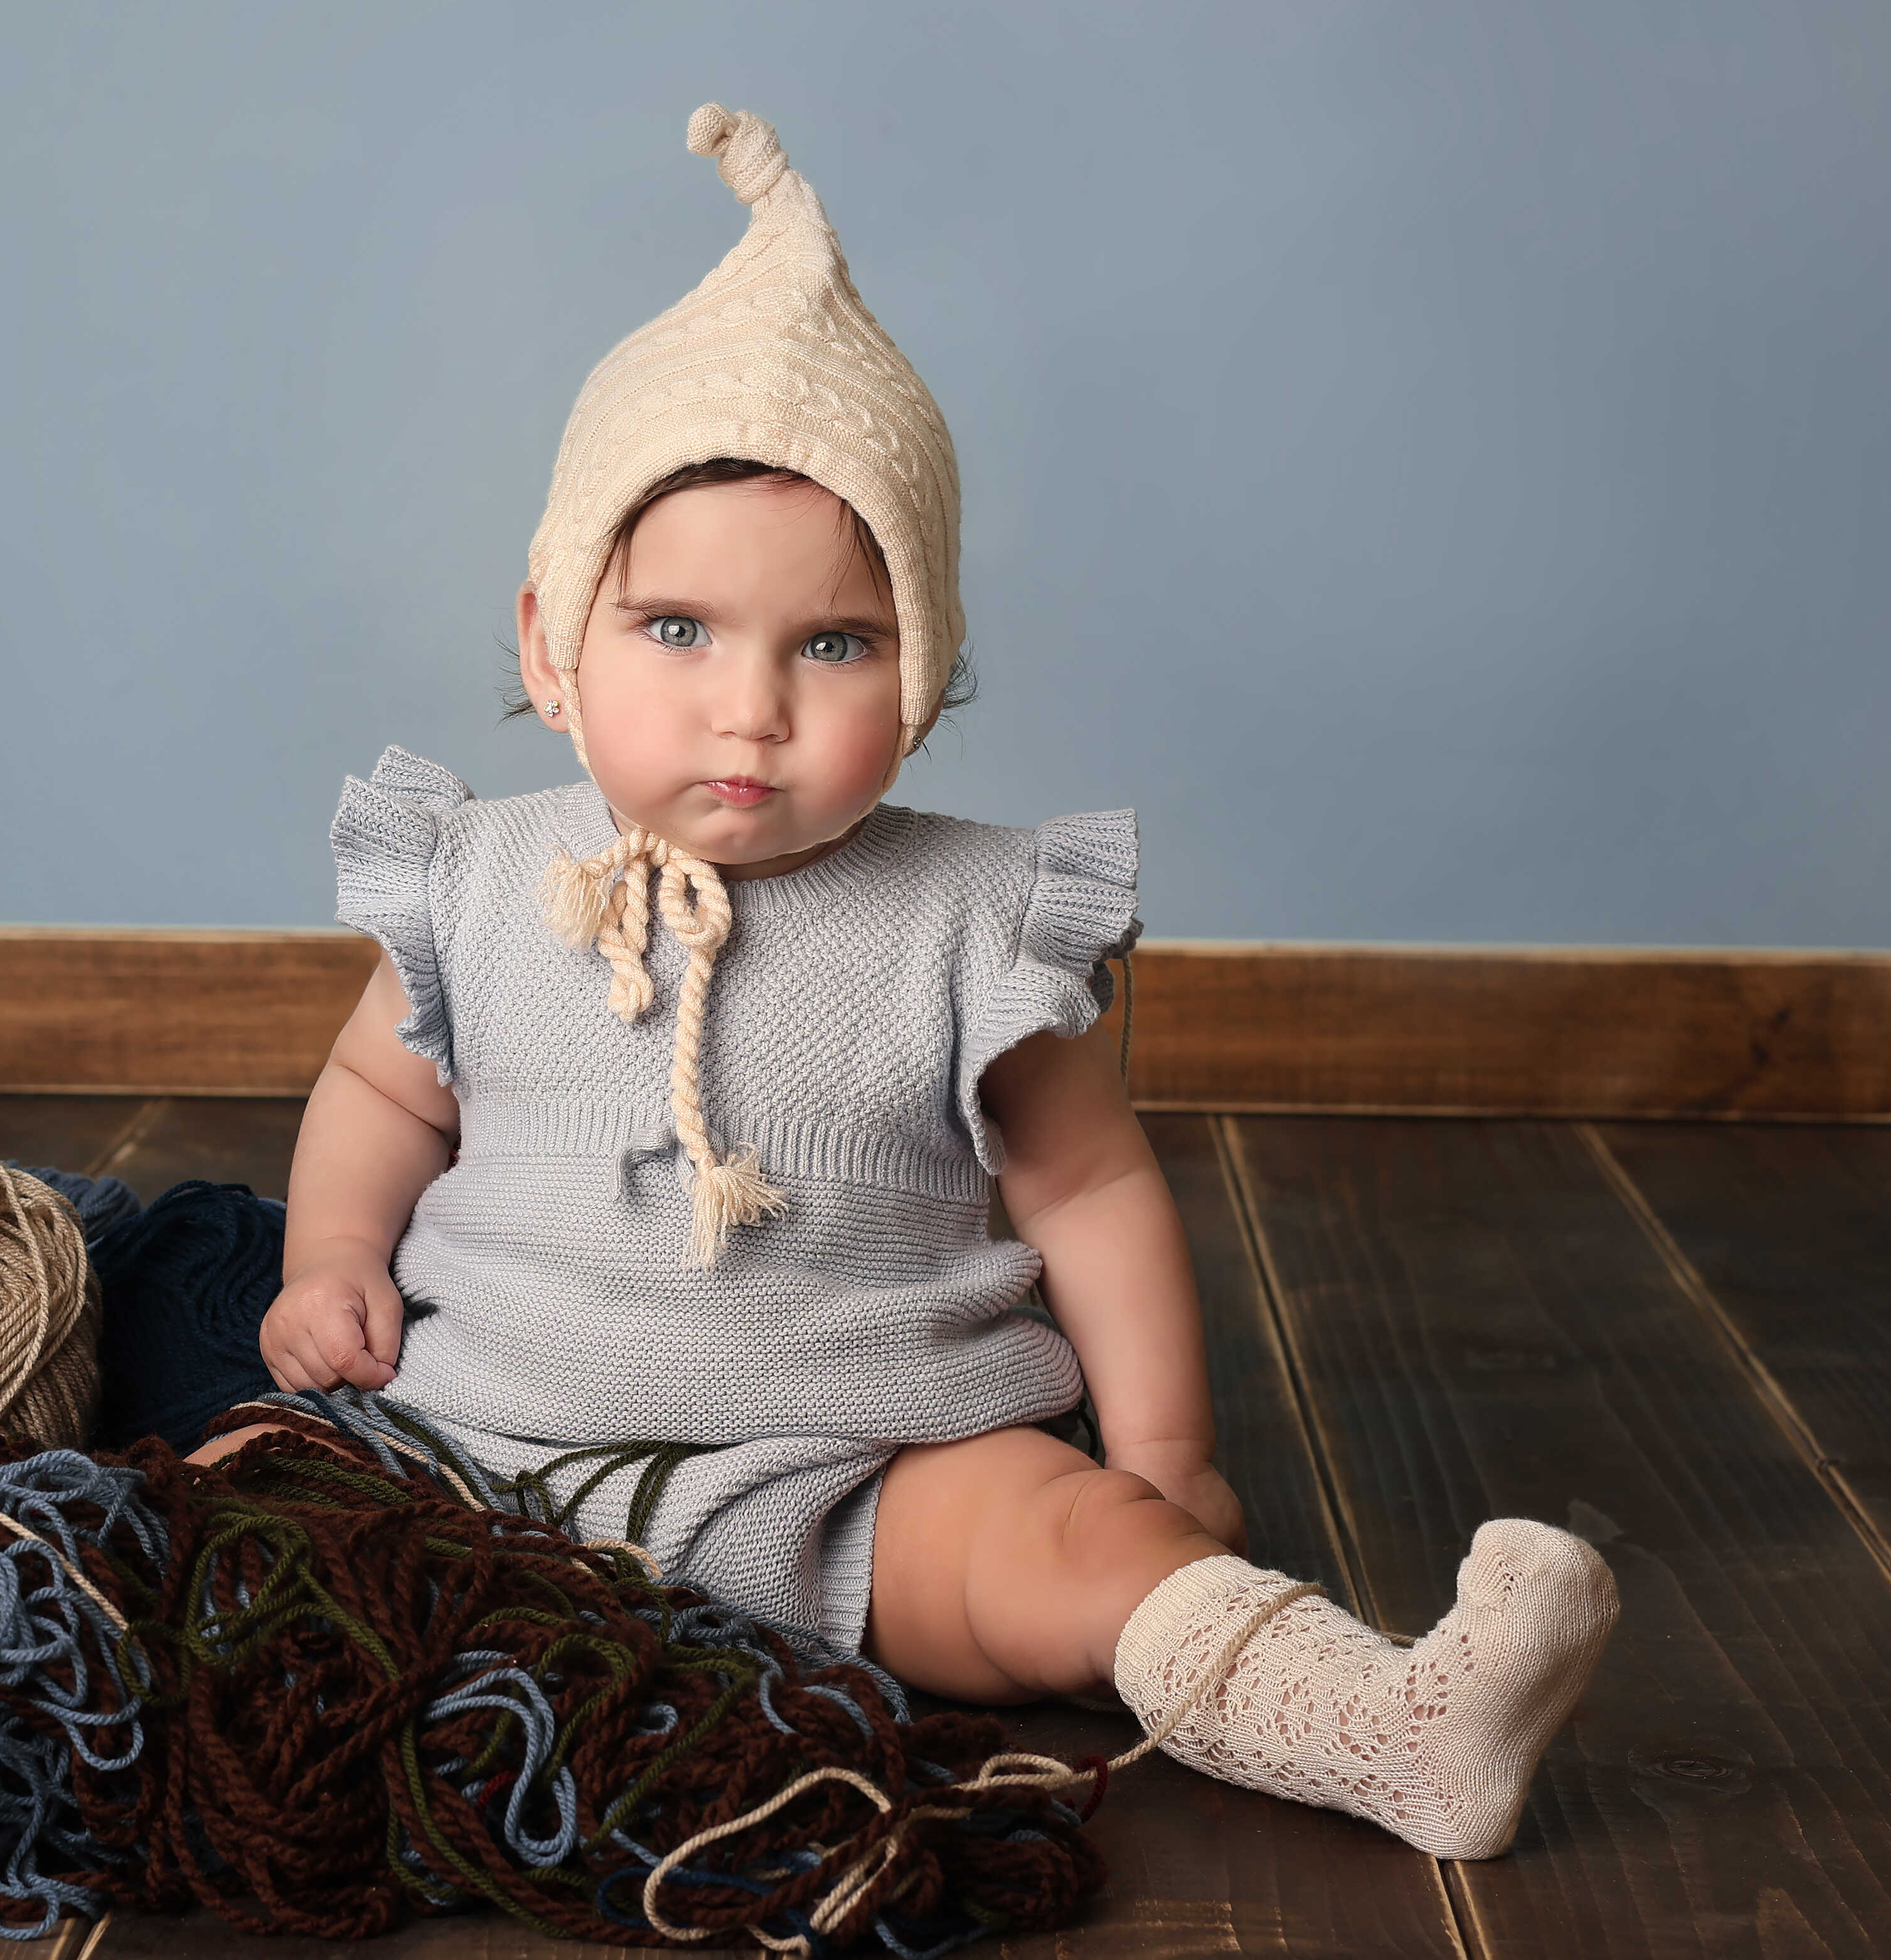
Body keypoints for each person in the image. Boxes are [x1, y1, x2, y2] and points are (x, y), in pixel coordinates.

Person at [185, 103, 1618, 1861]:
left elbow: (1086, 1185)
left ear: (923, 677)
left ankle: (1385, 1722)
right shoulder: (480, 874)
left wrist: (1163, 1445)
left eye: (836, 644)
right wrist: (334, 1255)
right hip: (492, 1451)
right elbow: (381, 1090)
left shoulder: (973, 915)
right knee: (243, 1508)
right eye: (678, 629)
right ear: (554, 643)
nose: (751, 706)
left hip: (877, 1477)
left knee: (1090, 1550)